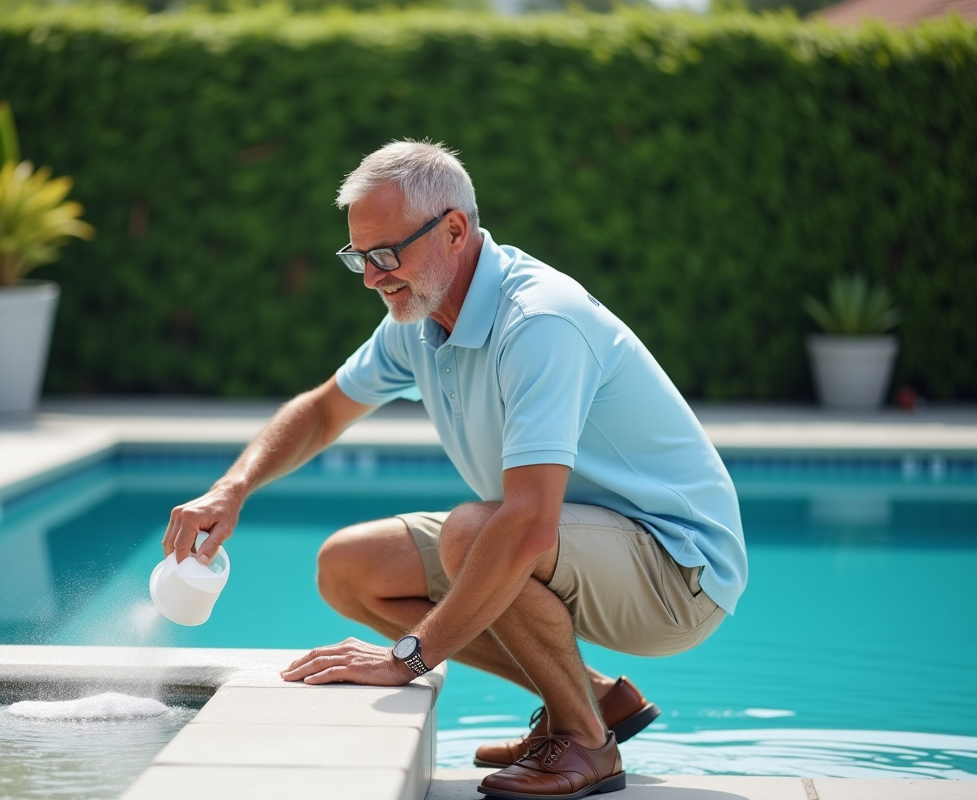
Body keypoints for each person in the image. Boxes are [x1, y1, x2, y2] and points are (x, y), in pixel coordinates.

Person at [162, 140, 747, 800]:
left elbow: (526, 527)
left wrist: (405, 658)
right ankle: (593, 700)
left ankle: (585, 741)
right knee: (350, 568)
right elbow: (325, 411)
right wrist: (232, 486)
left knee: (481, 532)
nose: (370, 276)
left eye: (385, 254)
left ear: (455, 229)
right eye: (358, 257)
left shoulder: (540, 322)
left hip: (678, 572)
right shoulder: (417, 316)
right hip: (580, 543)